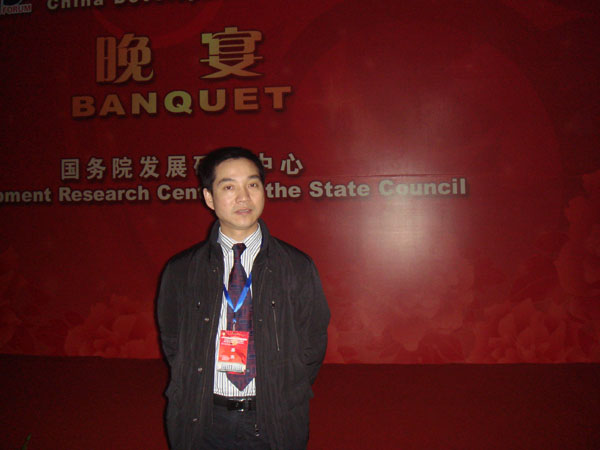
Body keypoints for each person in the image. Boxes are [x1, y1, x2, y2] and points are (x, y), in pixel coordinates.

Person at [156, 146, 330, 449]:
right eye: (229, 187)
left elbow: (312, 343)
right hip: (203, 417)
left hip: (273, 418)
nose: (243, 197)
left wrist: (283, 391)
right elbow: (173, 342)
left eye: (252, 184)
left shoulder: (296, 266)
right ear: (209, 197)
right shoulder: (182, 270)